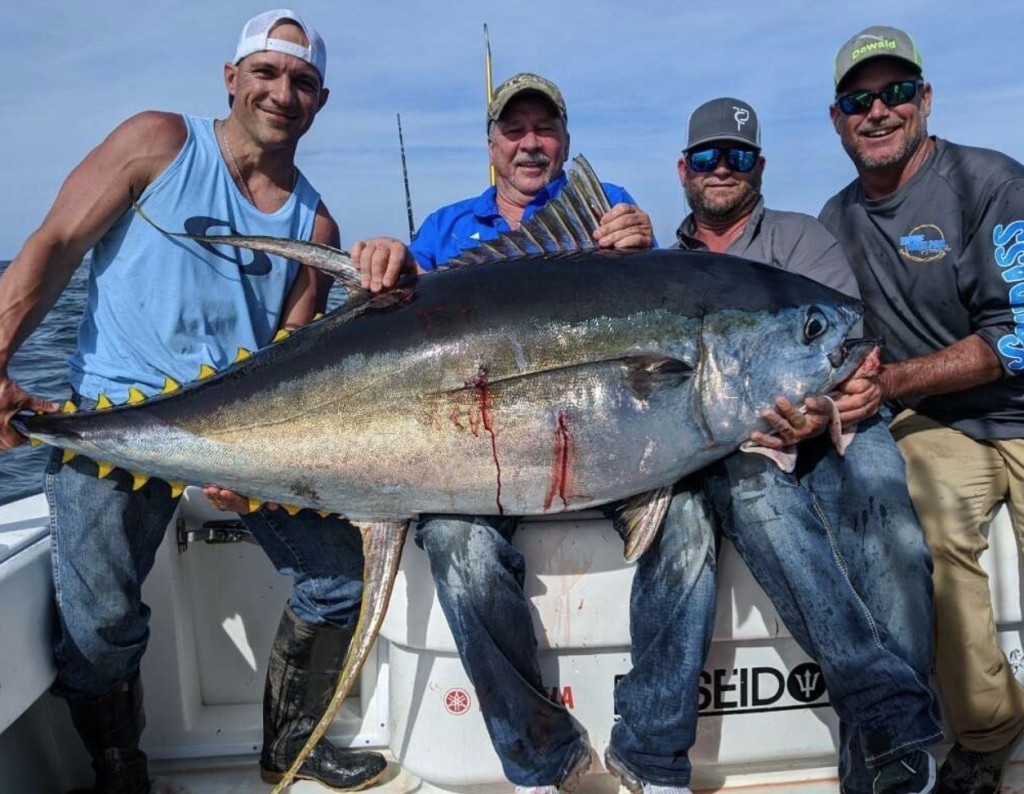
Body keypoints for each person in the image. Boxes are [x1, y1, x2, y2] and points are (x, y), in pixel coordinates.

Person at [0, 10, 386, 793]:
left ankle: (290, 746)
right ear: (231, 77)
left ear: (322, 100)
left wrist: (256, 466)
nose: (283, 93)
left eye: (303, 82)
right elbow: (53, 245)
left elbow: (291, 356)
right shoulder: (157, 143)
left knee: (340, 575)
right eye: (268, 74)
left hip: (238, 442)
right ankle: (120, 768)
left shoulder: (316, 225)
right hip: (114, 426)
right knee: (100, 624)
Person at [353, 73, 716, 794]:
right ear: (491, 145)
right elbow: (395, 333)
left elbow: (659, 307)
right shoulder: (449, 229)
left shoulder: (606, 213)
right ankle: (538, 761)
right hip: (482, 456)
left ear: (565, 143)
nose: (529, 144)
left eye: (543, 130)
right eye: (513, 130)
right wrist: (385, 263)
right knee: (456, 545)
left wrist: (638, 245)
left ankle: (652, 758)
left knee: (691, 525)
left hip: (619, 445)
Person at [668, 97, 942, 794]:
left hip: (838, 428)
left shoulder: (803, 239)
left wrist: (820, 412)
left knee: (895, 540)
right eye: (707, 157)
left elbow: (845, 346)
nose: (721, 168)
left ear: (760, 166)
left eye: (738, 156)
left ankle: (877, 764)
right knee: (759, 501)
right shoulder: (662, 267)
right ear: (683, 171)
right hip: (743, 449)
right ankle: (899, 733)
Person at [820, 25, 1024, 794]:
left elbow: (1022, 333)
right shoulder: (833, 224)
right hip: (942, 426)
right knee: (929, 538)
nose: (879, 111)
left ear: (925, 100)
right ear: (837, 119)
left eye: (896, 93)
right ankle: (990, 727)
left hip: (1009, 404)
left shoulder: (994, 184)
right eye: (859, 99)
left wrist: (895, 380)